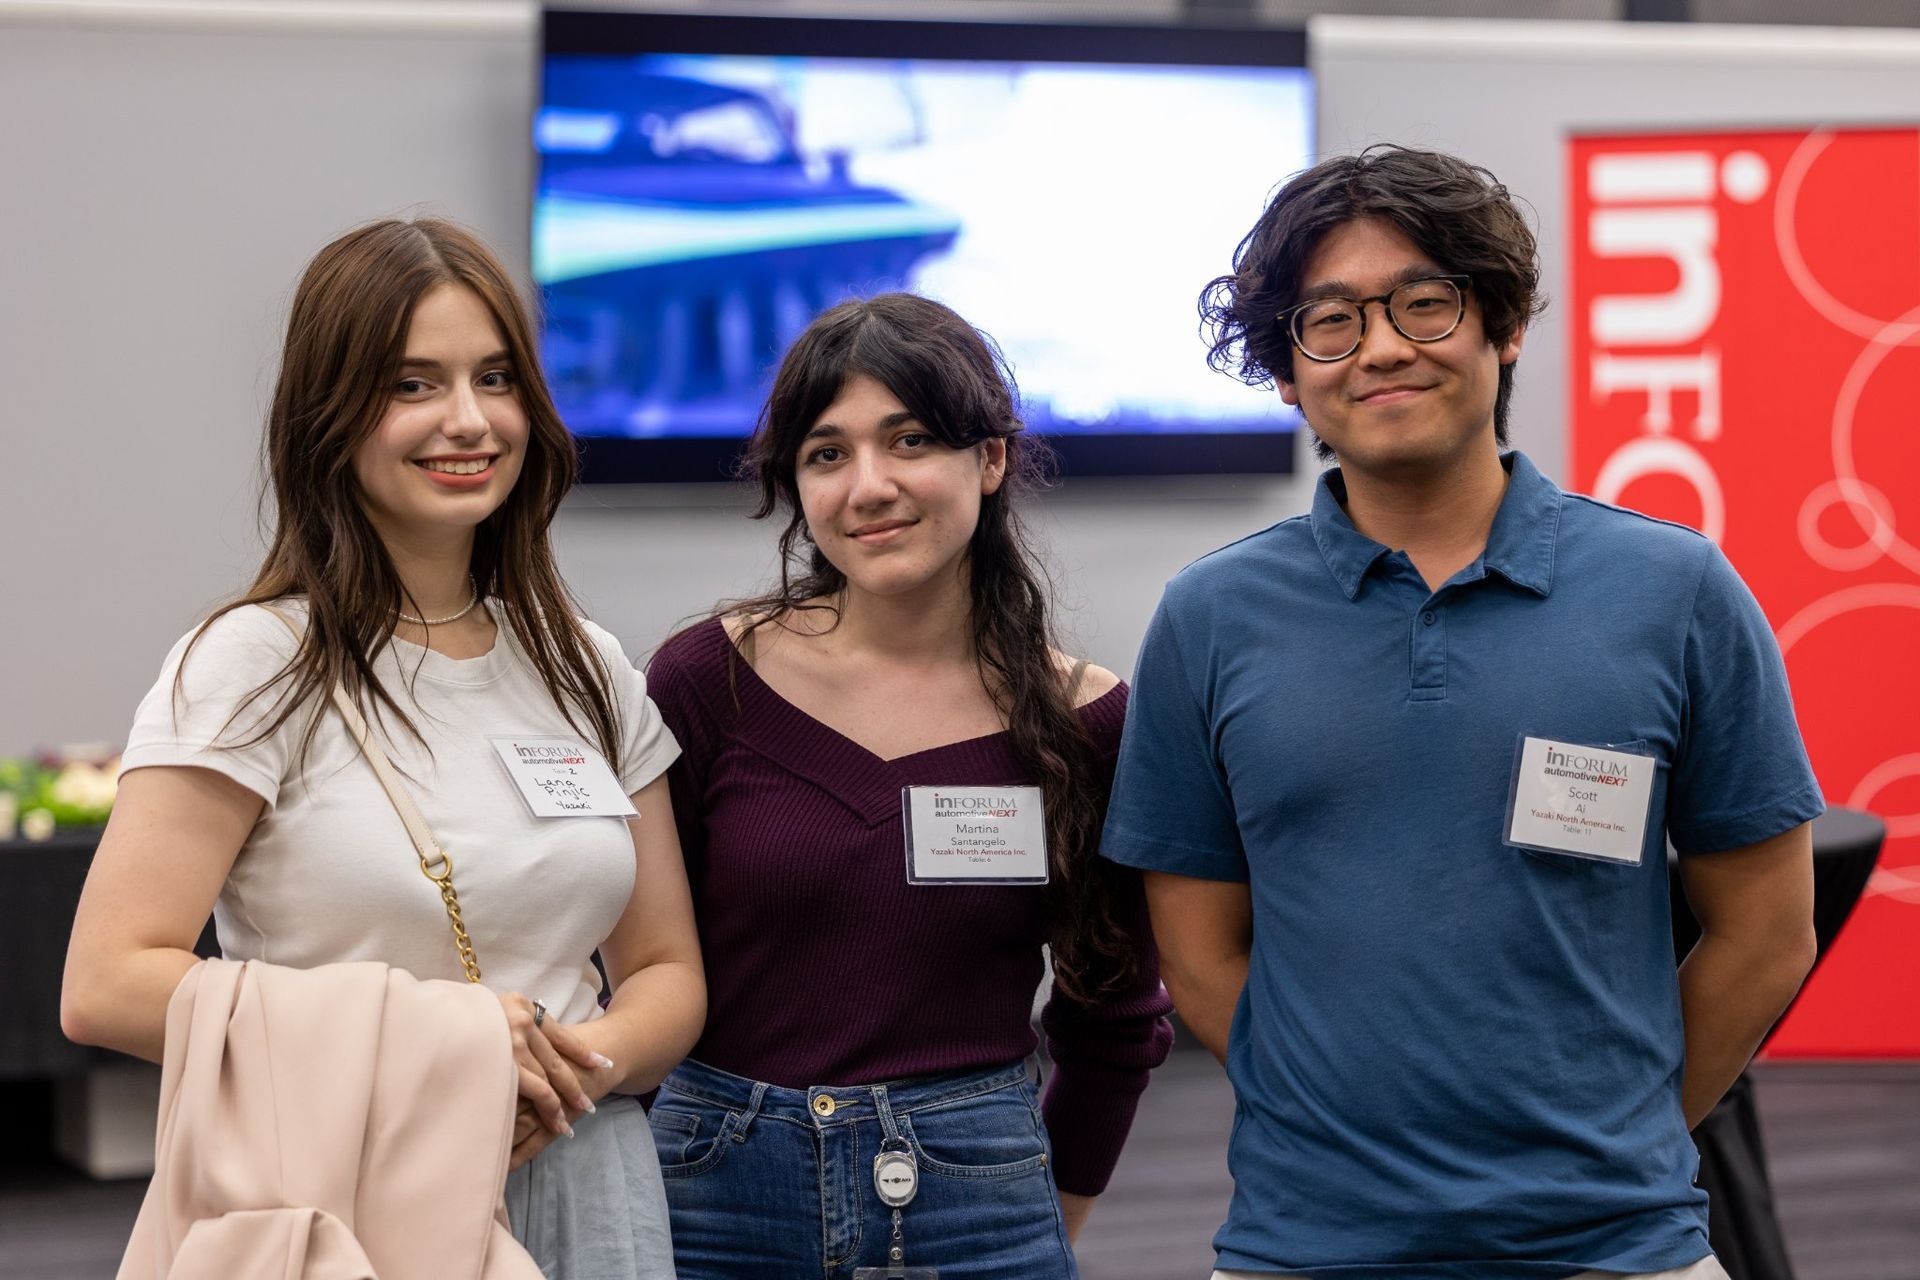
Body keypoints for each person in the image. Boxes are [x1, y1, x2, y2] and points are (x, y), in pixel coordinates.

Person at [1101, 146, 1823, 1280]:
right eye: (1329, 321)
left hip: (1622, 1246)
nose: (1383, 346)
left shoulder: (1674, 589)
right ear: (1288, 374)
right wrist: (1344, 1130)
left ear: (1504, 325)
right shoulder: (1212, 615)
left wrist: (1615, 1134)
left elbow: (1768, 931)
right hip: (1306, 1245)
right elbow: (1198, 959)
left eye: (1424, 302)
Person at [61, 218, 703, 1280]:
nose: (468, 419)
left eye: (495, 378)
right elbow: (107, 982)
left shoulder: (582, 663)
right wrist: (446, 1047)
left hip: (584, 1170)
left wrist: (566, 1068)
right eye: (413, 383)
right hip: (352, 1174)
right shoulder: (253, 662)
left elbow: (666, 969)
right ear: (332, 414)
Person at [643, 292, 1174, 1280]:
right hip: (711, 1199)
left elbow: (1114, 1018)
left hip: (977, 1201)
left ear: (992, 457)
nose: (869, 484)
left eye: (911, 438)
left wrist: (1030, 1215)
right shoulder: (701, 681)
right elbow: (633, 970)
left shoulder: (1086, 722)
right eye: (827, 453)